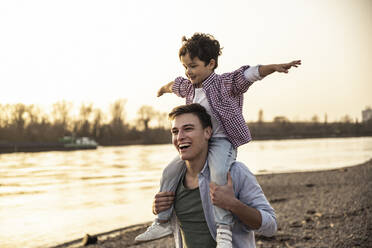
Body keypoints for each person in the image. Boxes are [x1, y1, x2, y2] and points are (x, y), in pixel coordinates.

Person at [135, 33, 300, 247]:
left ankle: (223, 229)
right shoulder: (188, 88)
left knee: (219, 173)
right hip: (203, 149)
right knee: (168, 171)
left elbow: (250, 74)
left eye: (193, 66)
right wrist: (162, 90)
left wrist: (274, 67)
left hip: (222, 140)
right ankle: (162, 221)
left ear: (211, 63)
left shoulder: (225, 83)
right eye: (185, 67)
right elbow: (173, 85)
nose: (188, 72)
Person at [154, 103, 277, 248]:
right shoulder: (173, 180)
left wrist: (233, 205)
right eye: (175, 131)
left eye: (188, 129)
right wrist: (160, 209)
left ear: (207, 132)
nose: (180, 137)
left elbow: (271, 227)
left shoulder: (235, 173)